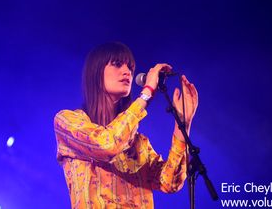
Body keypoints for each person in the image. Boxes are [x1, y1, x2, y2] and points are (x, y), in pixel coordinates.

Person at [54, 42, 198, 208]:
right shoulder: (68, 121)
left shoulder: (138, 143)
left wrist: (183, 124)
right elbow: (107, 144)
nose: (127, 72)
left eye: (130, 67)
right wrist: (146, 93)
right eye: (116, 64)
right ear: (96, 72)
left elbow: (170, 182)